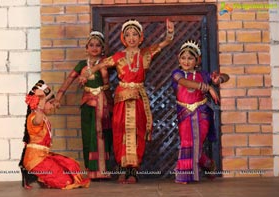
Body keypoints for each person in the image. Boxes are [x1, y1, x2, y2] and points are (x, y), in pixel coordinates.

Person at [80, 19, 174, 184]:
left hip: (137, 98)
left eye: (135, 34)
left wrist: (170, 33)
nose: (131, 38)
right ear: (123, 38)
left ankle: (133, 170)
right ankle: (122, 168)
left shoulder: (145, 53)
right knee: (119, 131)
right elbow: (102, 63)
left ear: (140, 37)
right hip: (122, 99)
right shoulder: (119, 56)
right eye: (128, 35)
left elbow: (164, 43)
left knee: (136, 132)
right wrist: (87, 73)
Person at [54, 31, 113, 180]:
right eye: (91, 45)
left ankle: (103, 170)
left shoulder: (107, 62)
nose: (94, 48)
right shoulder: (81, 65)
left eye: (98, 45)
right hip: (87, 104)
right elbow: (69, 80)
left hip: (104, 104)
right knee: (88, 136)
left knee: (102, 135)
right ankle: (91, 171)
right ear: (86, 48)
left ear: (102, 48)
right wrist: (58, 98)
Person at [171, 40, 229, 184]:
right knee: (187, 142)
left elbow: (225, 77)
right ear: (179, 59)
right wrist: (207, 87)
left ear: (197, 60)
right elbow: (184, 82)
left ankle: (186, 175)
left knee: (196, 142)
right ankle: (207, 164)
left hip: (201, 113)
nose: (186, 61)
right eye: (183, 57)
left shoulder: (203, 74)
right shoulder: (177, 73)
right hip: (184, 113)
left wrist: (218, 79)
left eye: (190, 58)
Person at [19, 80, 90, 189]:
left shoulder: (43, 117)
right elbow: (37, 121)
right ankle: (39, 176)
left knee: (71, 165)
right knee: (66, 181)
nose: (52, 106)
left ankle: (41, 177)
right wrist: (42, 100)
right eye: (50, 103)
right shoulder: (34, 117)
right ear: (39, 102)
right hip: (35, 160)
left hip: (43, 157)